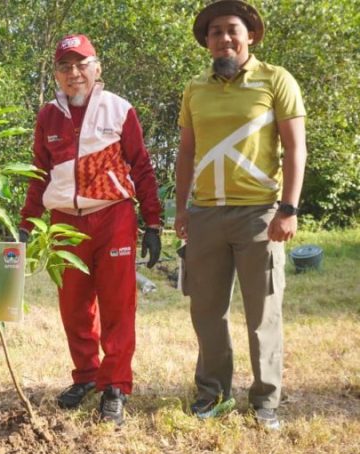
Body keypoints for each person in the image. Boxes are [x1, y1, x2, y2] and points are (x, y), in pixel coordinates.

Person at [174, 0, 306, 430]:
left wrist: (288, 209)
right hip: (205, 215)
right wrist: (181, 209)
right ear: (207, 42)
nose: (224, 38)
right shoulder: (195, 87)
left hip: (259, 215)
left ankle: (266, 400)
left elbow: (295, 147)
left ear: (250, 35)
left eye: (232, 29)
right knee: (206, 312)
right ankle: (212, 393)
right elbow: (187, 152)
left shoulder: (275, 79)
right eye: (215, 32)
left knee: (262, 313)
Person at [19, 35, 162, 425]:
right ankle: (86, 375)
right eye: (65, 67)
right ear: (56, 75)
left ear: (97, 68)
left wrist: (152, 221)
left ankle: (115, 384)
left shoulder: (119, 109)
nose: (74, 73)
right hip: (65, 220)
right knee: (74, 305)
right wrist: (26, 224)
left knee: (118, 303)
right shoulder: (48, 115)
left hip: (113, 216)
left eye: (81, 64)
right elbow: (39, 173)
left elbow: (141, 166)